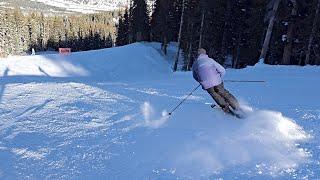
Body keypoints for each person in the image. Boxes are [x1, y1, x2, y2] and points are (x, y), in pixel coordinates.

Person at [192, 48, 240, 114]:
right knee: (224, 93)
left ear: (197, 55)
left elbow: (194, 76)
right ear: (205, 54)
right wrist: (219, 78)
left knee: (215, 95)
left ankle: (225, 108)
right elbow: (222, 70)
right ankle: (236, 106)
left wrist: (201, 81)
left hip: (206, 84)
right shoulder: (210, 60)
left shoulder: (195, 63)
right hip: (217, 81)